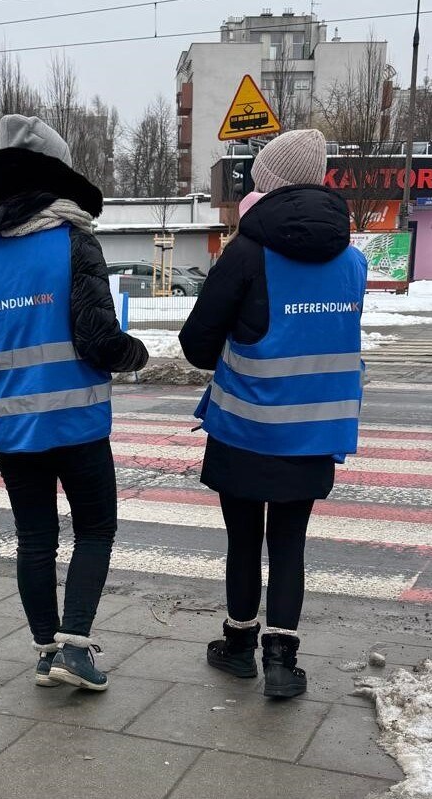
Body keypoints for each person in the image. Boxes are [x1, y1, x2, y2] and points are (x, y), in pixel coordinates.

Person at [0, 115, 148, 691]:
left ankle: (44, 652)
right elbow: (99, 340)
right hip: (76, 419)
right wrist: (136, 354)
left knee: (35, 538)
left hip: (10, 426)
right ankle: (74, 648)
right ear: (55, 174)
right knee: (95, 530)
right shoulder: (72, 239)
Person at [179, 129, 366, 699]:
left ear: (268, 185)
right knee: (289, 543)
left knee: (244, 540)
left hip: (246, 429)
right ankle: (282, 663)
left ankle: (238, 648)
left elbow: (196, 344)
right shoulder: (353, 262)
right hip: (313, 433)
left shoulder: (245, 253)